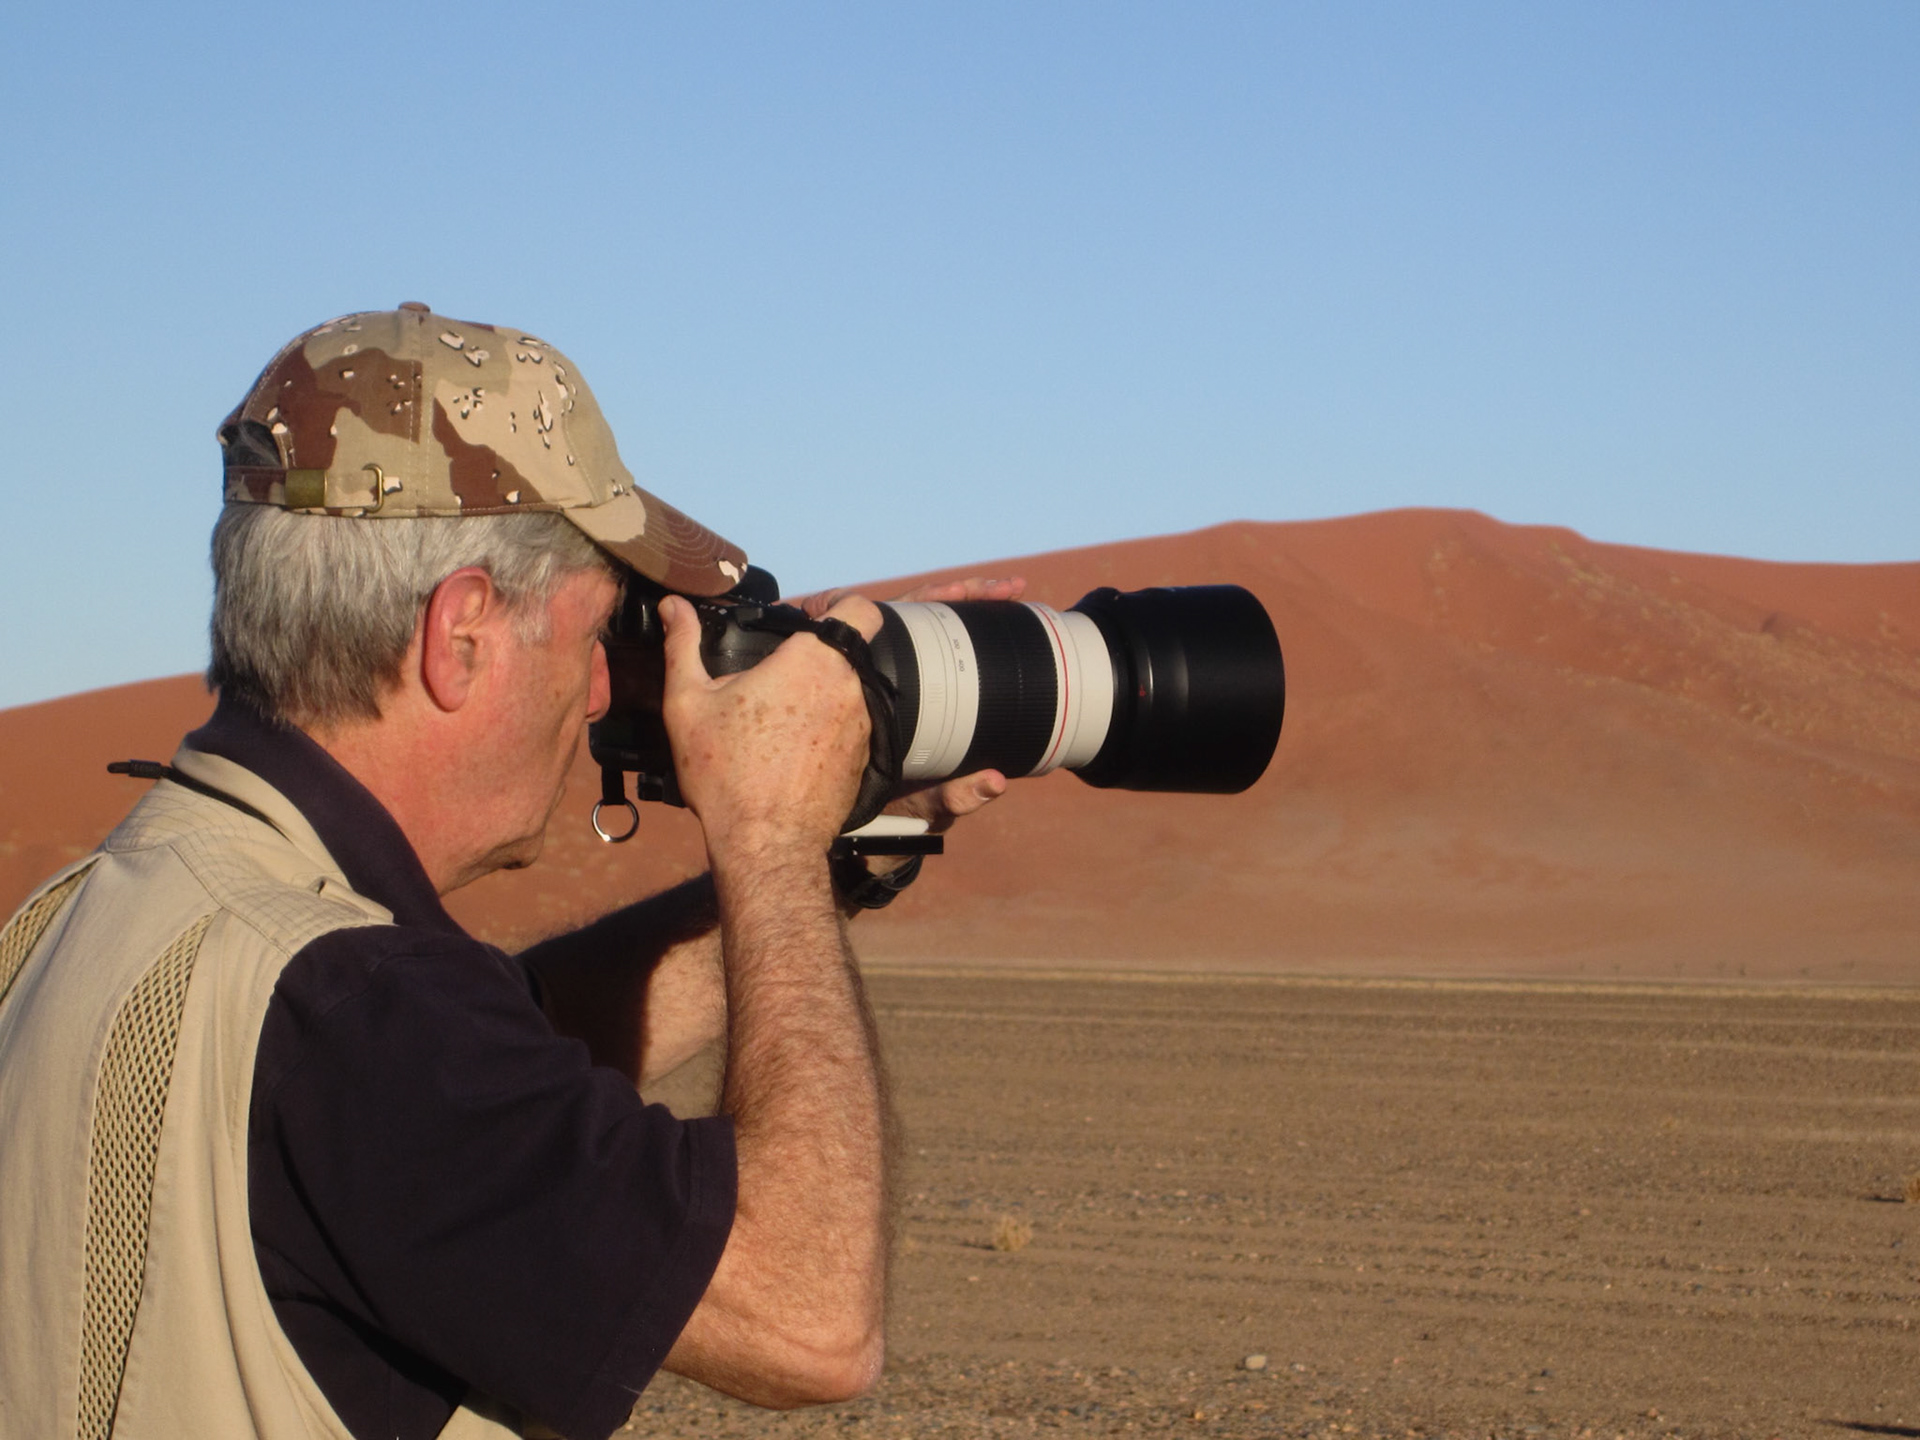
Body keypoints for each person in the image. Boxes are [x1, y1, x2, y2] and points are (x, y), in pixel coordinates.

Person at [0, 304, 1018, 1440]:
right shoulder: (351, 1013)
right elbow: (810, 1319)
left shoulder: (122, 908)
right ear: (463, 634)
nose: (598, 695)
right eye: (593, 636)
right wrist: (771, 835)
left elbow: (509, 1048)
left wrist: (843, 855)